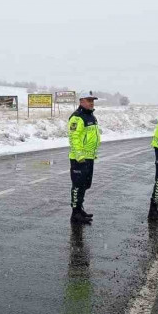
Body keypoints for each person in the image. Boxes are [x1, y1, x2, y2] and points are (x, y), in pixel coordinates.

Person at [68, 90, 101, 224]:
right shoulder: (77, 117)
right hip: (79, 158)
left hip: (89, 157)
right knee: (77, 185)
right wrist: (79, 155)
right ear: (81, 101)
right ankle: (75, 213)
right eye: (89, 100)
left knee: (85, 185)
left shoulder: (91, 117)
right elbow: (74, 137)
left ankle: (80, 209)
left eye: (93, 100)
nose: (92, 103)